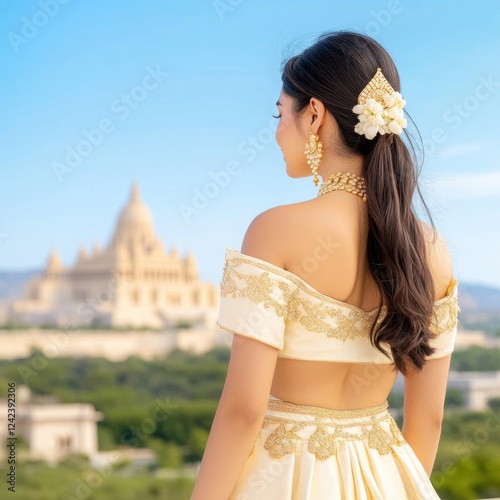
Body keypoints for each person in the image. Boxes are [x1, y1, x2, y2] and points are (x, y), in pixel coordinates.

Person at [190, 30, 460, 500]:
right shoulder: (432, 249)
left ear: (313, 114)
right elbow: (428, 418)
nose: (276, 131)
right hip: (386, 478)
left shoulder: (275, 230)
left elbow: (242, 411)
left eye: (280, 113)